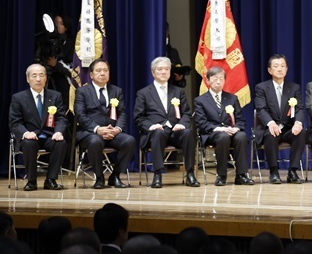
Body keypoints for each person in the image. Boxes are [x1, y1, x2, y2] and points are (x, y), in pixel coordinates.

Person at [134, 57, 200, 188]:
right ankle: (157, 174)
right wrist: (152, 126)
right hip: (155, 133)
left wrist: (182, 124)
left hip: (175, 131)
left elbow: (186, 113)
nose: (163, 72)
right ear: (153, 72)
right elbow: (138, 118)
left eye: (167, 69)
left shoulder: (178, 91)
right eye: (160, 69)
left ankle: (190, 173)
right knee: (158, 134)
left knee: (187, 133)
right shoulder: (143, 93)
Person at [74, 59, 136, 189]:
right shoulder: (82, 92)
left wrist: (118, 129)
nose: (102, 73)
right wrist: (98, 129)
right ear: (91, 75)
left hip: (112, 132)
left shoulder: (116, 91)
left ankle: (115, 176)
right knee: (95, 142)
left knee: (129, 141)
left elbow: (123, 113)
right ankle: (99, 177)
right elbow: (80, 115)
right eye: (98, 71)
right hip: (90, 133)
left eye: (105, 70)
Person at [9, 63, 68, 191]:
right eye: (34, 75)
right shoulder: (18, 98)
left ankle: (50, 180)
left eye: (41, 75)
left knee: (61, 143)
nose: (38, 79)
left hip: (49, 135)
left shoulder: (55, 96)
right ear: (27, 79)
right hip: (30, 137)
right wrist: (25, 133)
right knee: (29, 143)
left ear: (46, 78)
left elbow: (62, 118)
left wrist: (58, 132)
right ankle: (31, 181)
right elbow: (15, 122)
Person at [195, 66, 254, 186]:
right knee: (223, 137)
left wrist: (236, 128)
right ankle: (221, 175)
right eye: (215, 78)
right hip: (212, 133)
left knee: (241, 136)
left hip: (231, 131)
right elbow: (201, 123)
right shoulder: (200, 100)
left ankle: (241, 175)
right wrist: (220, 129)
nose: (218, 81)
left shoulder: (232, 98)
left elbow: (241, 120)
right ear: (207, 80)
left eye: (221, 79)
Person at [254, 54, 307, 184]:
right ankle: (274, 171)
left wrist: (298, 123)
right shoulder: (261, 88)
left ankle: (293, 171)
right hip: (270, 128)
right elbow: (261, 109)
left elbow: (300, 108)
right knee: (271, 134)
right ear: (269, 70)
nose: (280, 69)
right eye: (276, 66)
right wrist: (271, 123)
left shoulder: (294, 88)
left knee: (301, 133)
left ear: (287, 69)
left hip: (288, 128)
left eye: (283, 66)